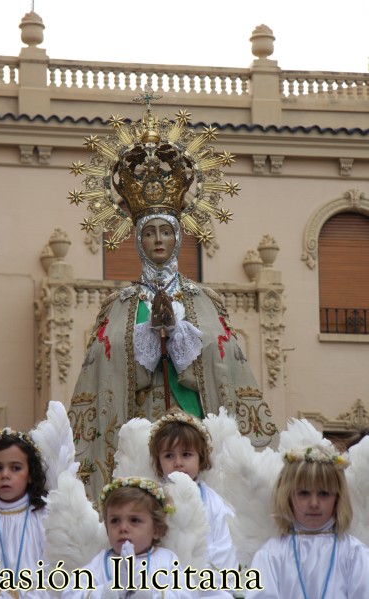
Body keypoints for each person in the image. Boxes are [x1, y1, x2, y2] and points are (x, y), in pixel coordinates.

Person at [67, 94, 278, 500]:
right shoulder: (119, 304)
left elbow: (225, 363)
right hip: (137, 431)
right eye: (149, 232)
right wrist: (146, 338)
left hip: (192, 433)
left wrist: (180, 337)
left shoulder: (204, 300)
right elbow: (102, 369)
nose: (158, 240)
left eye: (165, 231)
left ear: (179, 236)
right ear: (137, 239)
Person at [244, 444, 369, 598]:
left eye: (324, 493)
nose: (314, 503)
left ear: (337, 498)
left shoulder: (354, 554)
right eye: (304, 493)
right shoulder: (271, 555)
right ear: (288, 496)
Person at [148, 409, 239, 597]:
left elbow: (223, 548)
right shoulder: (152, 500)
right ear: (158, 461)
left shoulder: (214, 503)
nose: (178, 462)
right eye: (169, 456)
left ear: (201, 457)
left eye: (186, 454)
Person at [60, 476, 199, 598]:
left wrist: (149, 594)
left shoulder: (166, 560)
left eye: (134, 520)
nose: (123, 528)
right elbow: (70, 594)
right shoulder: (100, 562)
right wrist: (109, 590)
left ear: (156, 530)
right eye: (115, 521)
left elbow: (188, 594)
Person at [0, 428, 53, 598]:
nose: (5, 475)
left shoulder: (44, 516)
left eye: (15, 468)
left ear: (31, 474)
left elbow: (53, 571)